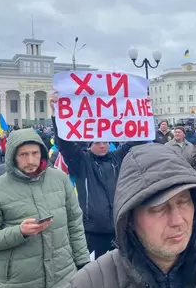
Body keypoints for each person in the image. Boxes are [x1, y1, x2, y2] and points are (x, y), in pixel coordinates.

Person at [61, 145, 196, 288]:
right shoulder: (89, 286)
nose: (177, 221)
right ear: (130, 218)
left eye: (184, 202)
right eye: (159, 209)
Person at [0, 128, 89, 288]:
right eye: (23, 155)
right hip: (19, 285)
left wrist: (83, 261)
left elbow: (74, 222)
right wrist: (19, 232)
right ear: (12, 156)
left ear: (43, 153)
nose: (31, 160)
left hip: (63, 278)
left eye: (35, 153)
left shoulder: (60, 179)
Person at [50, 95, 143, 259]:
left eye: (106, 142)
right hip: (92, 232)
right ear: (89, 145)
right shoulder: (81, 161)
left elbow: (137, 139)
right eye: (97, 142)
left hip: (120, 228)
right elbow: (65, 144)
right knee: (95, 276)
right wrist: (57, 114)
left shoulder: (117, 158)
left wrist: (143, 111)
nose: (102, 145)